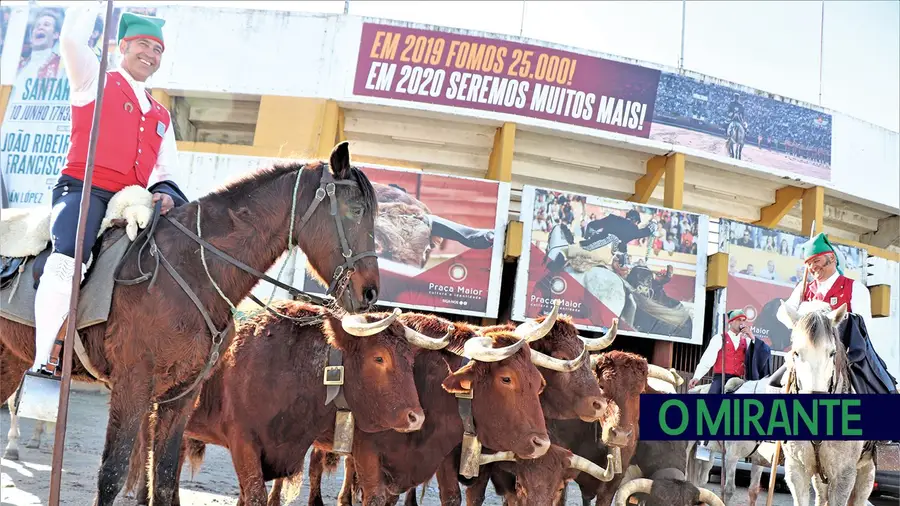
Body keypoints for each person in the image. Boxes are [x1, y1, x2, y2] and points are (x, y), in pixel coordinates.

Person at [29, 7, 188, 376]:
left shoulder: (162, 115)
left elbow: (167, 172)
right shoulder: (95, 79)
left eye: (158, 49)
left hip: (131, 198)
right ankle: (43, 360)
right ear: (123, 46)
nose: (150, 53)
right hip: (83, 188)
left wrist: (165, 193)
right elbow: (70, 40)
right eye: (143, 45)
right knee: (68, 258)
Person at [776, 232, 872, 332]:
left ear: (832, 258)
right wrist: (799, 321)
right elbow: (782, 313)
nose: (812, 267)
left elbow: (863, 325)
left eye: (816, 261)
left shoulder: (855, 288)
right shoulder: (804, 289)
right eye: (809, 264)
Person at [688, 309, 755, 395]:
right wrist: (696, 377)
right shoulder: (719, 338)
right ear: (731, 322)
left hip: (738, 379)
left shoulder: (746, 341)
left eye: (743, 320)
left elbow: (757, 354)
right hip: (721, 378)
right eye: (738, 320)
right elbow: (707, 360)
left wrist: (752, 336)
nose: (741, 322)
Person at [579, 209, 656, 268]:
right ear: (635, 220)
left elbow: (591, 225)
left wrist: (587, 237)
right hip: (609, 258)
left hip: (589, 248)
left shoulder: (612, 218)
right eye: (637, 223)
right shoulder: (633, 228)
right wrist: (653, 224)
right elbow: (645, 232)